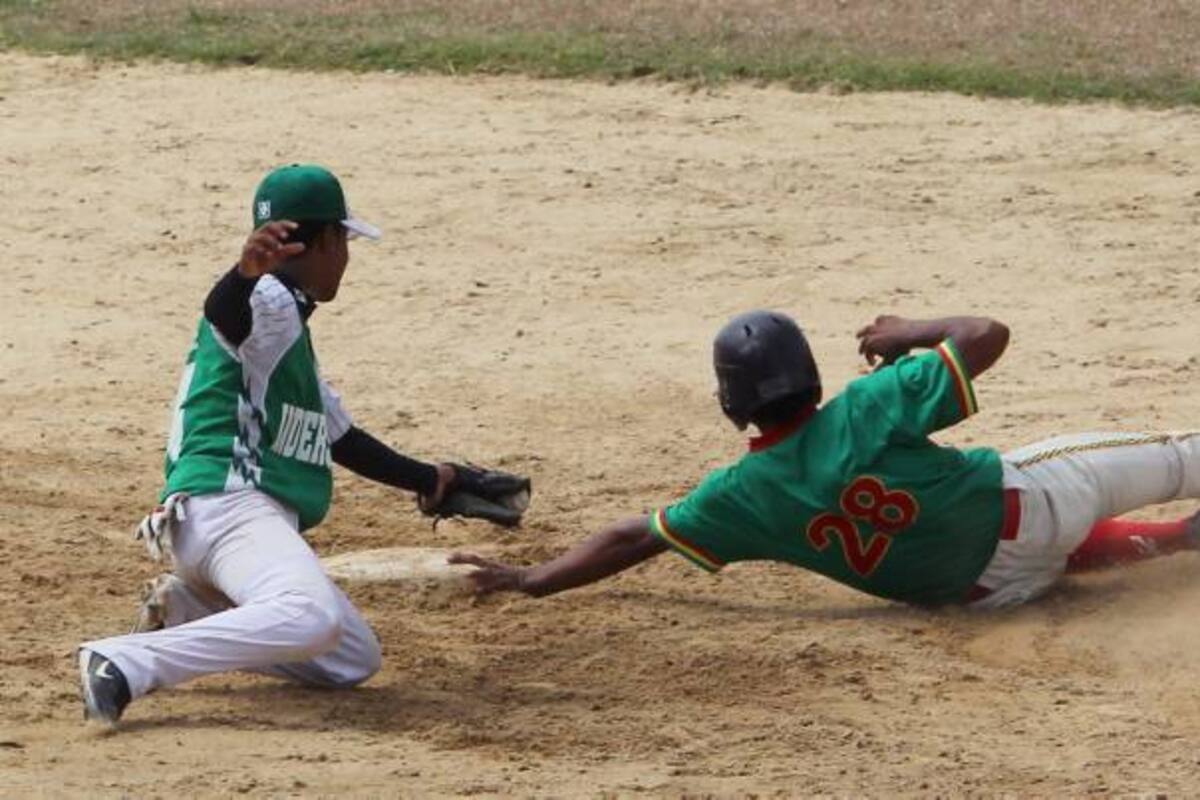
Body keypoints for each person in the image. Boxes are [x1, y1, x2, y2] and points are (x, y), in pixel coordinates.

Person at [78, 164, 528, 727]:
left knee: (350, 657)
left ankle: (186, 608)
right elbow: (226, 314)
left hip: (218, 522)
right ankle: (123, 662)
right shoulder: (269, 298)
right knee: (311, 616)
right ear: (326, 240)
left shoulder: (286, 327)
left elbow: (341, 437)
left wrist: (432, 480)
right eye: (344, 241)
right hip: (230, 507)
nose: (346, 258)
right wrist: (243, 274)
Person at [451, 310, 1200, 609]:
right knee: (1175, 458)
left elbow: (633, 537)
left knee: (1024, 552)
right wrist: (908, 332)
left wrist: (531, 579)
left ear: (731, 403)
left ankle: (1178, 539)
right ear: (810, 377)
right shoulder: (869, 405)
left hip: (984, 593)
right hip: (1037, 506)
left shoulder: (740, 495)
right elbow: (986, 334)